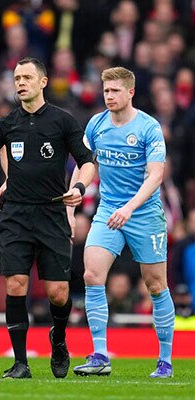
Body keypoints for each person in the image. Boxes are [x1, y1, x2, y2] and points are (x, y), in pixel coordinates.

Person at [0, 57, 95, 379]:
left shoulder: (63, 121)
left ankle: (58, 338)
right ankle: (20, 362)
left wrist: (80, 187)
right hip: (15, 214)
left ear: (43, 82)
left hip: (52, 213)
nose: (20, 83)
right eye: (17, 77)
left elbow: (87, 161)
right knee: (16, 284)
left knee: (58, 292)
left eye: (27, 77)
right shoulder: (6, 123)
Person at [72, 67, 175, 379]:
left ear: (130, 92)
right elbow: (84, 164)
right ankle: (100, 354)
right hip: (109, 210)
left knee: (156, 285)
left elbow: (155, 175)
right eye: (106, 91)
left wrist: (130, 208)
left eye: (115, 91)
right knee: (91, 274)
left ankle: (166, 361)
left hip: (143, 213)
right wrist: (74, 196)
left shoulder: (148, 127)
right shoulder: (96, 124)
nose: (109, 96)